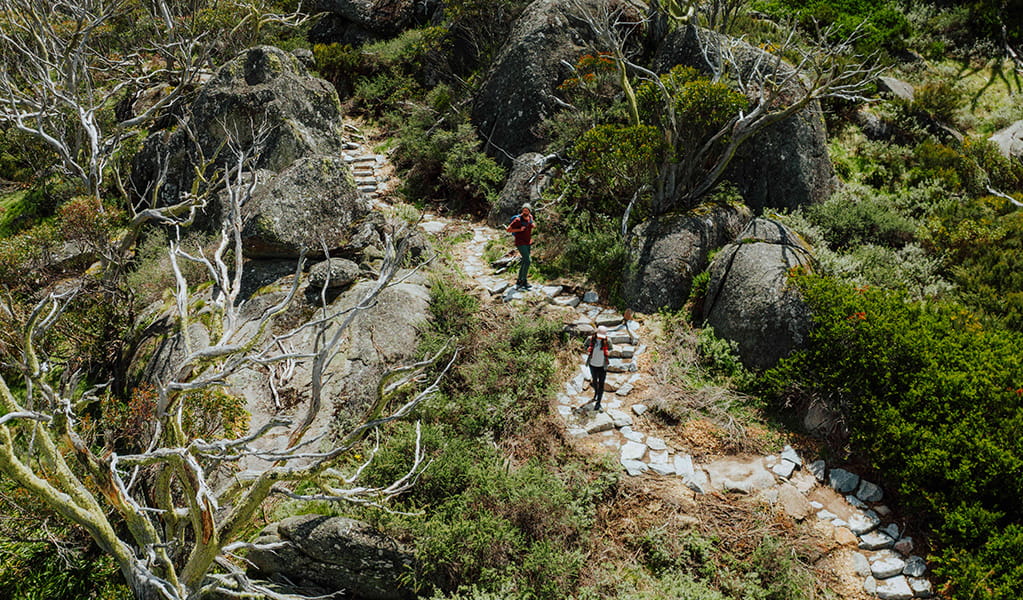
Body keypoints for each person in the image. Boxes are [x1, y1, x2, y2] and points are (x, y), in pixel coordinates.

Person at [506, 203, 535, 290]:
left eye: (527, 210)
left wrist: (533, 225)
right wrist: (519, 229)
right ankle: (524, 281)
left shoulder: (530, 217)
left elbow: (532, 223)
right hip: (520, 242)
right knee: (528, 260)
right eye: (524, 210)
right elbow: (508, 229)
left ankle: (519, 280)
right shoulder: (518, 220)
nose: (525, 212)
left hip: (527, 242)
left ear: (529, 211)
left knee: (524, 261)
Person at [585, 325, 613, 411]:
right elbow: (585, 346)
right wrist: (587, 349)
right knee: (594, 380)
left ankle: (598, 402)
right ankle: (596, 393)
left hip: (602, 366)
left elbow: (611, 349)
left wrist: (609, 352)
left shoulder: (608, 340)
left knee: (601, 383)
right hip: (593, 364)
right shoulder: (590, 339)